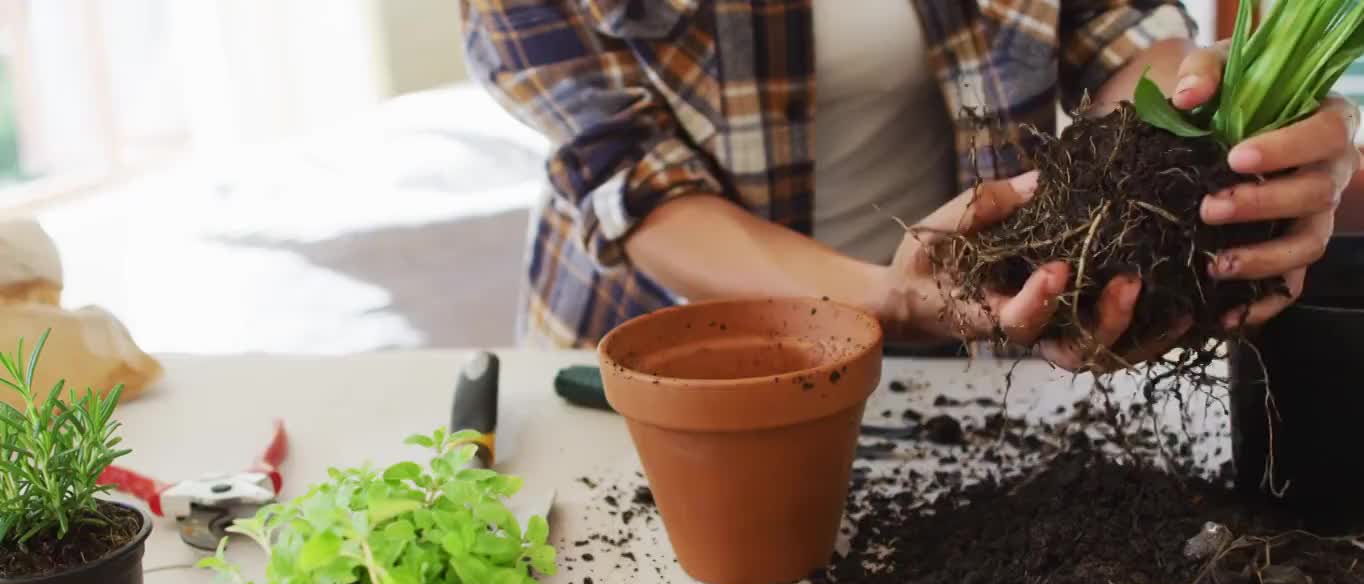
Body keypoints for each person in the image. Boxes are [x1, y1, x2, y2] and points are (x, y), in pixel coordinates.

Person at [459, 1, 1360, 371]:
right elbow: (632, 180)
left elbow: (1122, 38)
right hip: (684, 353)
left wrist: (1191, 143)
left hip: (968, 337)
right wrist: (883, 298)